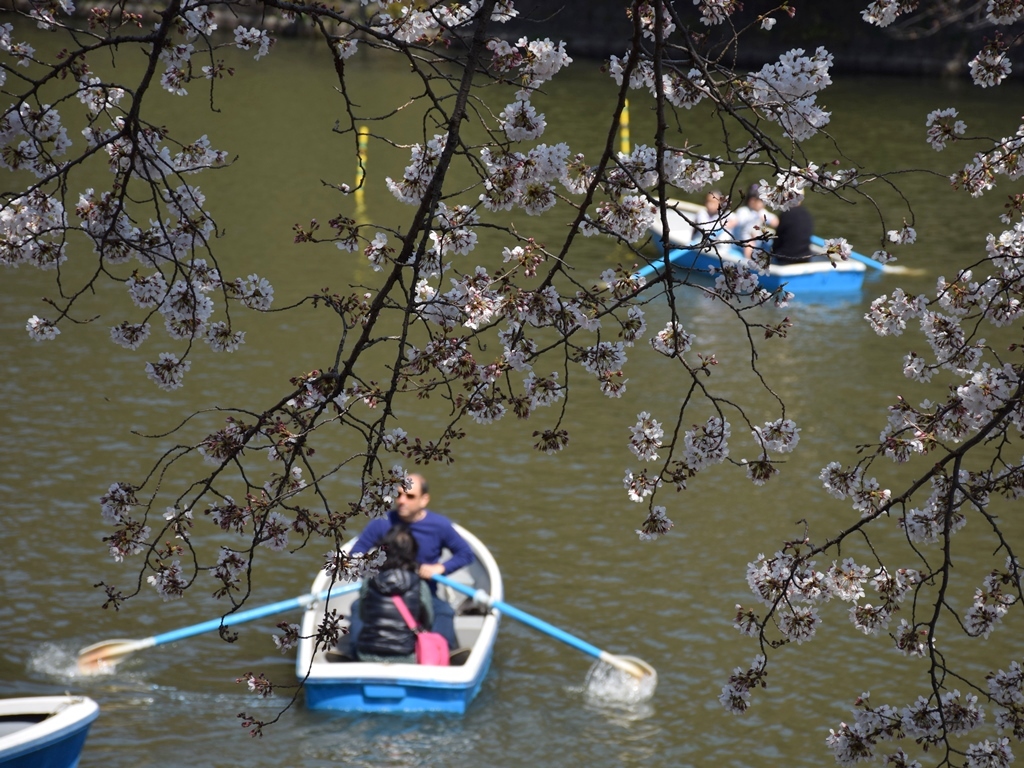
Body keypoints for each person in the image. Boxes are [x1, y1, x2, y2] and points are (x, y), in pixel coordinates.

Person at [347, 473, 473, 650]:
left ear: (424, 500)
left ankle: (442, 653)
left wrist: (440, 568)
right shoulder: (381, 523)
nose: (402, 501)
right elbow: (356, 555)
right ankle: (355, 651)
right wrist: (377, 572)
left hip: (424, 592)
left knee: (444, 611)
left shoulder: (439, 526)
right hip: (384, 592)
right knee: (357, 606)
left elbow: (465, 554)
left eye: (410, 496)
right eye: (398, 495)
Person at [354, 523, 434, 663]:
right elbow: (429, 620)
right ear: (412, 552)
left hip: (366, 654)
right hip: (406, 656)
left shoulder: (369, 581)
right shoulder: (419, 584)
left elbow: (363, 615)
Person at [731, 184, 779, 258]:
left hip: (757, 240)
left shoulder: (761, 212)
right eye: (761, 200)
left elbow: (775, 222)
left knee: (771, 240)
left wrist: (767, 220)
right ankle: (749, 262)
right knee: (750, 245)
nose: (764, 203)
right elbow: (736, 221)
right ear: (752, 201)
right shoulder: (744, 211)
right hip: (743, 242)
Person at [770, 192, 815, 263]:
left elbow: (777, 240)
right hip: (805, 258)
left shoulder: (786, 214)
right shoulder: (807, 214)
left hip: (786, 259)